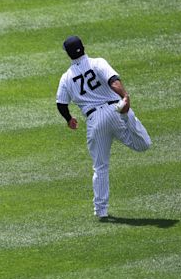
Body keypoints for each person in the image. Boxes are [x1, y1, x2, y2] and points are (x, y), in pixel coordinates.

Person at [56, 35, 152, 220]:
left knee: (100, 167)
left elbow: (61, 103)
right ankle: (126, 115)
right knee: (143, 145)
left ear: (68, 55)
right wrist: (125, 96)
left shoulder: (66, 77)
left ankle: (101, 211)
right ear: (83, 47)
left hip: (94, 120)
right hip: (115, 109)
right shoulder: (97, 62)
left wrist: (69, 119)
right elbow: (113, 81)